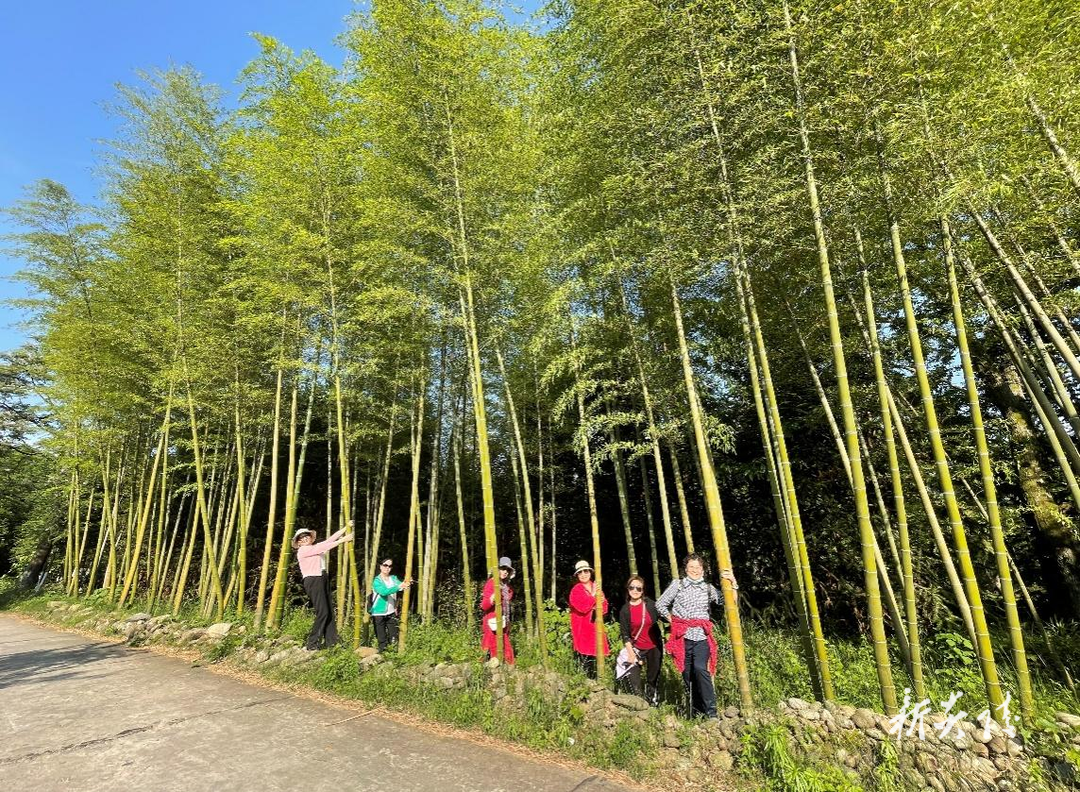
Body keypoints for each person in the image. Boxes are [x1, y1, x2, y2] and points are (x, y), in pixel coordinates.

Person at [655, 554, 738, 719]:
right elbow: (660, 604)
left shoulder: (708, 588)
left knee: (700, 669)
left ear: (703, 570)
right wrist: (673, 620)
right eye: (691, 567)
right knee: (687, 675)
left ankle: (711, 712)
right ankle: (696, 713)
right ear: (686, 569)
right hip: (682, 637)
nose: (695, 570)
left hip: (701, 636)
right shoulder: (678, 585)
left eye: (698, 567)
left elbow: (729, 601)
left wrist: (733, 583)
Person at [294, 524, 354, 651]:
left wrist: (345, 528)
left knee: (329, 611)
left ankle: (331, 642)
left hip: (322, 578)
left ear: (311, 538)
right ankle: (312, 643)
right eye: (301, 538)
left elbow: (328, 541)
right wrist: (344, 540)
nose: (304, 538)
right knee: (323, 612)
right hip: (313, 580)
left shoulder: (314, 547)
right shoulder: (302, 551)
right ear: (298, 542)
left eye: (306, 536)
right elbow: (325, 546)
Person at [617, 575, 663, 705]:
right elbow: (625, 634)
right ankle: (639, 705)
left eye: (639, 588)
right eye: (632, 587)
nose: (635, 590)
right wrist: (631, 653)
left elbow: (664, 616)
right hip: (636, 648)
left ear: (642, 591)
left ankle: (652, 704)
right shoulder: (625, 610)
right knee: (634, 682)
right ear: (628, 589)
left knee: (652, 678)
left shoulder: (651, 605)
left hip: (654, 646)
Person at [568, 559, 609, 677]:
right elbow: (582, 607)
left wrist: (600, 602)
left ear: (590, 572)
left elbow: (605, 608)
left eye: (586, 571)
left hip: (596, 627)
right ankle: (584, 682)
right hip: (583, 629)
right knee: (585, 660)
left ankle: (599, 681)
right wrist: (593, 596)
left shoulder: (596, 587)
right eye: (580, 572)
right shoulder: (576, 590)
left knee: (597, 658)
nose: (583, 574)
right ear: (577, 575)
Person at [370, 558, 411, 652]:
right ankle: (382, 654)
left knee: (394, 635)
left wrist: (407, 582)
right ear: (380, 566)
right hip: (378, 612)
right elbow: (384, 592)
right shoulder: (377, 581)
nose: (387, 567)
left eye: (390, 566)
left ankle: (393, 654)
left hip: (391, 611)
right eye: (385, 565)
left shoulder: (393, 578)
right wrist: (399, 586)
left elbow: (401, 586)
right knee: (381, 637)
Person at [481, 557, 516, 665]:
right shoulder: (491, 583)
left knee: (503, 650)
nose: (505, 572)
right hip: (492, 622)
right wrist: (492, 598)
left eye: (507, 570)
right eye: (503, 569)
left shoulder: (507, 586)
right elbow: (484, 606)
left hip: (503, 621)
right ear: (497, 569)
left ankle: (503, 668)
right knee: (489, 649)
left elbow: (507, 604)